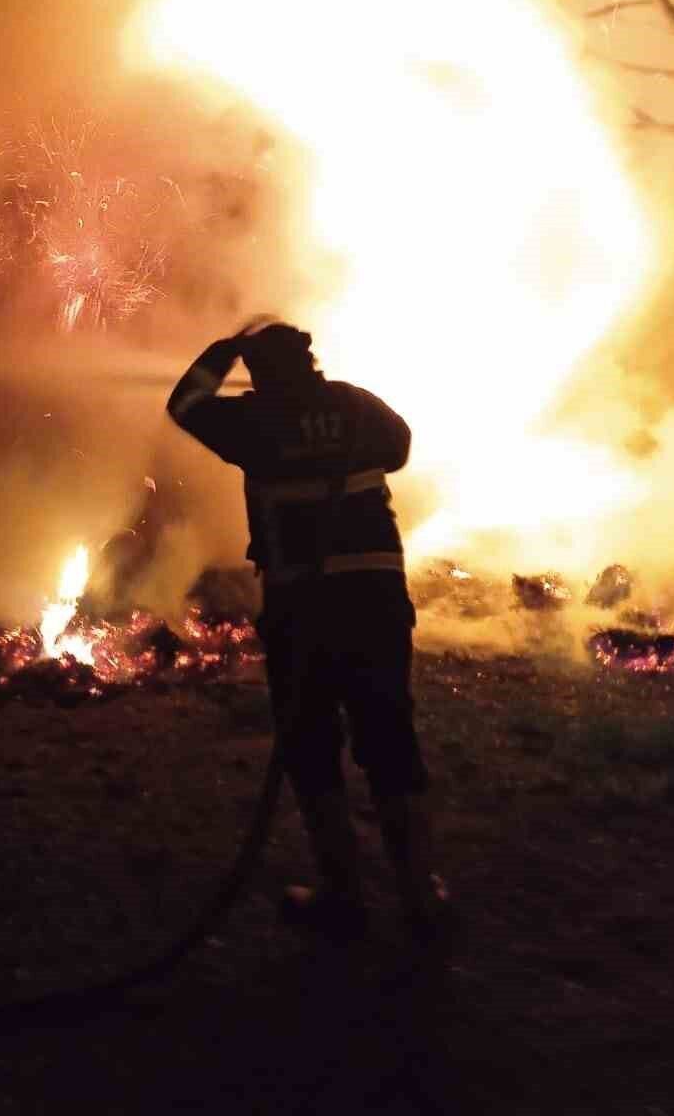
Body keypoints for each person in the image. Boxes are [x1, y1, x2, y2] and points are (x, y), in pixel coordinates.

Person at [166, 319, 447, 941]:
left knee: (311, 741)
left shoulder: (253, 421)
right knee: (389, 735)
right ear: (311, 361)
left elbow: (184, 404)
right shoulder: (357, 405)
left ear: (259, 374)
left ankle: (343, 894)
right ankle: (419, 892)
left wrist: (222, 350)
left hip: (303, 606)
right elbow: (399, 449)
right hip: (376, 599)